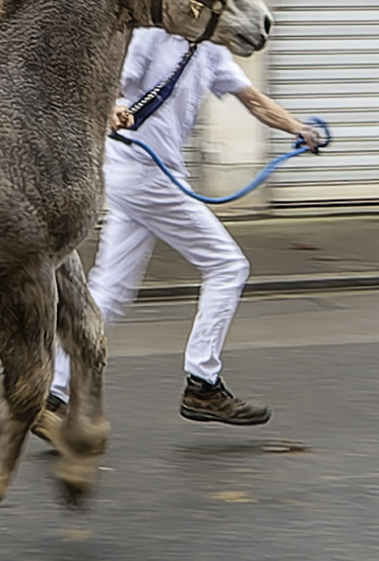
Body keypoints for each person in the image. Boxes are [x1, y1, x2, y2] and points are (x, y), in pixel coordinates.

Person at [38, 27, 322, 442]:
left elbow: (253, 100)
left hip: (140, 177)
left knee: (110, 289)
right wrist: (112, 107)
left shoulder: (210, 49)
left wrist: (298, 128)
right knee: (228, 266)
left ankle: (54, 395)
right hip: (146, 176)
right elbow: (110, 82)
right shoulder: (151, 36)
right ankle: (203, 383)